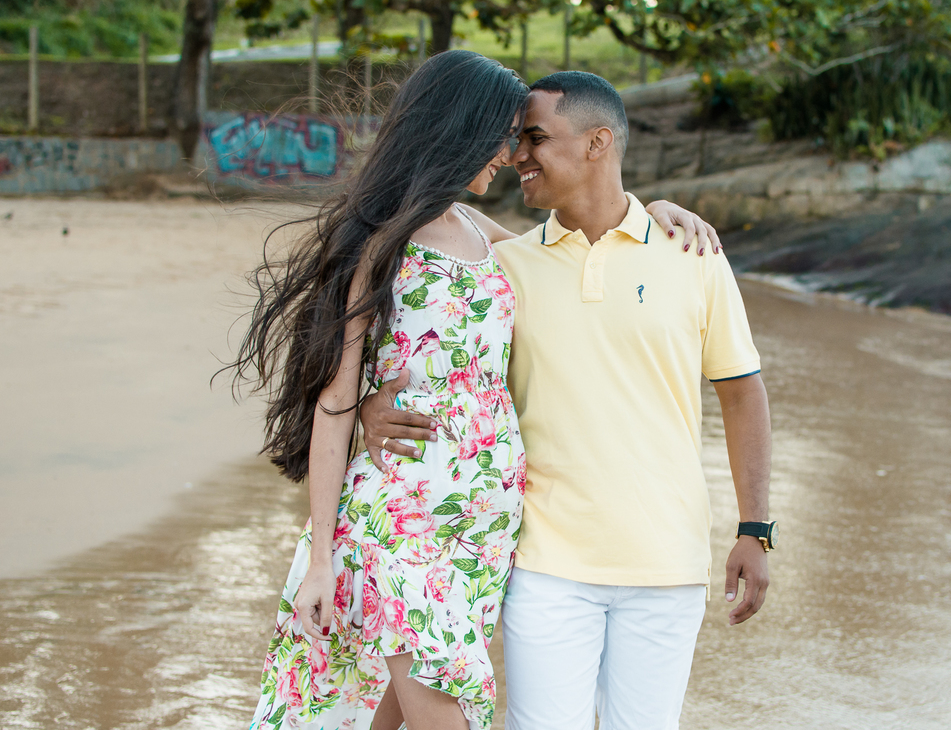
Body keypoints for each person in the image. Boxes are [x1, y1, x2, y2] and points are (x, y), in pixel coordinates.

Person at [231, 50, 721, 730]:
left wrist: (653, 216)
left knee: (390, 712)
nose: (513, 155)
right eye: (506, 136)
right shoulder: (380, 242)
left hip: (482, 524)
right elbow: (335, 401)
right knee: (446, 711)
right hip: (401, 510)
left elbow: (580, 254)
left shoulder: (481, 232)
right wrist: (320, 561)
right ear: (461, 130)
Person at [361, 71, 774, 730]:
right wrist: (369, 406)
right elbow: (437, 347)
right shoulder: (509, 266)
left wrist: (754, 528)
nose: (516, 155)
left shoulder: (692, 253)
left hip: (667, 565)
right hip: (544, 566)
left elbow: (742, 392)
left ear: (596, 142)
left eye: (534, 138)